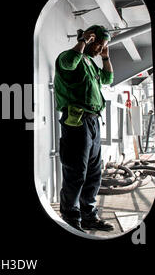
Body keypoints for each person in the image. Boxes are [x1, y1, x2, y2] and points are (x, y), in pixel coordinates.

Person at [54, 25, 115, 233]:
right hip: (76, 122)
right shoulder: (69, 57)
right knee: (76, 171)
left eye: (103, 46)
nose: (100, 49)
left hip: (93, 122)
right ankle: (71, 217)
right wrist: (82, 42)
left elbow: (108, 79)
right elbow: (70, 63)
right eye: (99, 44)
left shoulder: (90, 63)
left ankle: (89, 216)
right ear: (90, 39)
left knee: (94, 172)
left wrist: (106, 56)